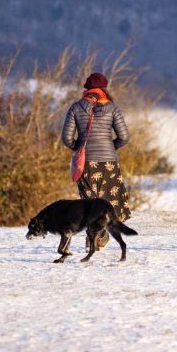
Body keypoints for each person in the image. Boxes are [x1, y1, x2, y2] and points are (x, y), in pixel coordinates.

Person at [61, 72, 131, 249]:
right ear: (104, 89)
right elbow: (124, 136)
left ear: (87, 89)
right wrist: (109, 148)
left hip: (86, 163)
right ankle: (102, 234)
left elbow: (66, 138)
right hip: (108, 162)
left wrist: (80, 149)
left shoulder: (75, 108)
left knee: (88, 201)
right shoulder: (113, 108)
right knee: (109, 199)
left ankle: (92, 237)